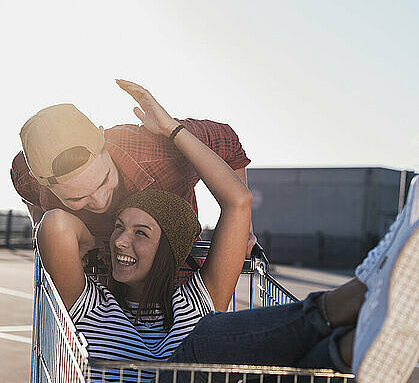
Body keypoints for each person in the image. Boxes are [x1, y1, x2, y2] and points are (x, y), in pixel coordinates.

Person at [36, 88, 419, 383]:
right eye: (118, 229)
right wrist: (101, 240)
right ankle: (359, 295)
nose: (121, 241)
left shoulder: (198, 299)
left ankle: (350, 350)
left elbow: (237, 201)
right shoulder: (89, 305)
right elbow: (56, 225)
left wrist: (173, 130)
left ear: (172, 249)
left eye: (140, 233)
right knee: (202, 346)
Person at [11, 78, 257, 256]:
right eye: (78, 198)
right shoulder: (31, 176)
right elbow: (20, 178)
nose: (99, 201)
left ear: (103, 138)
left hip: (176, 272)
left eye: (104, 180)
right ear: (41, 181)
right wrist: (39, 223)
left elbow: (230, 145)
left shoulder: (162, 151)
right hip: (101, 283)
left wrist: (244, 229)